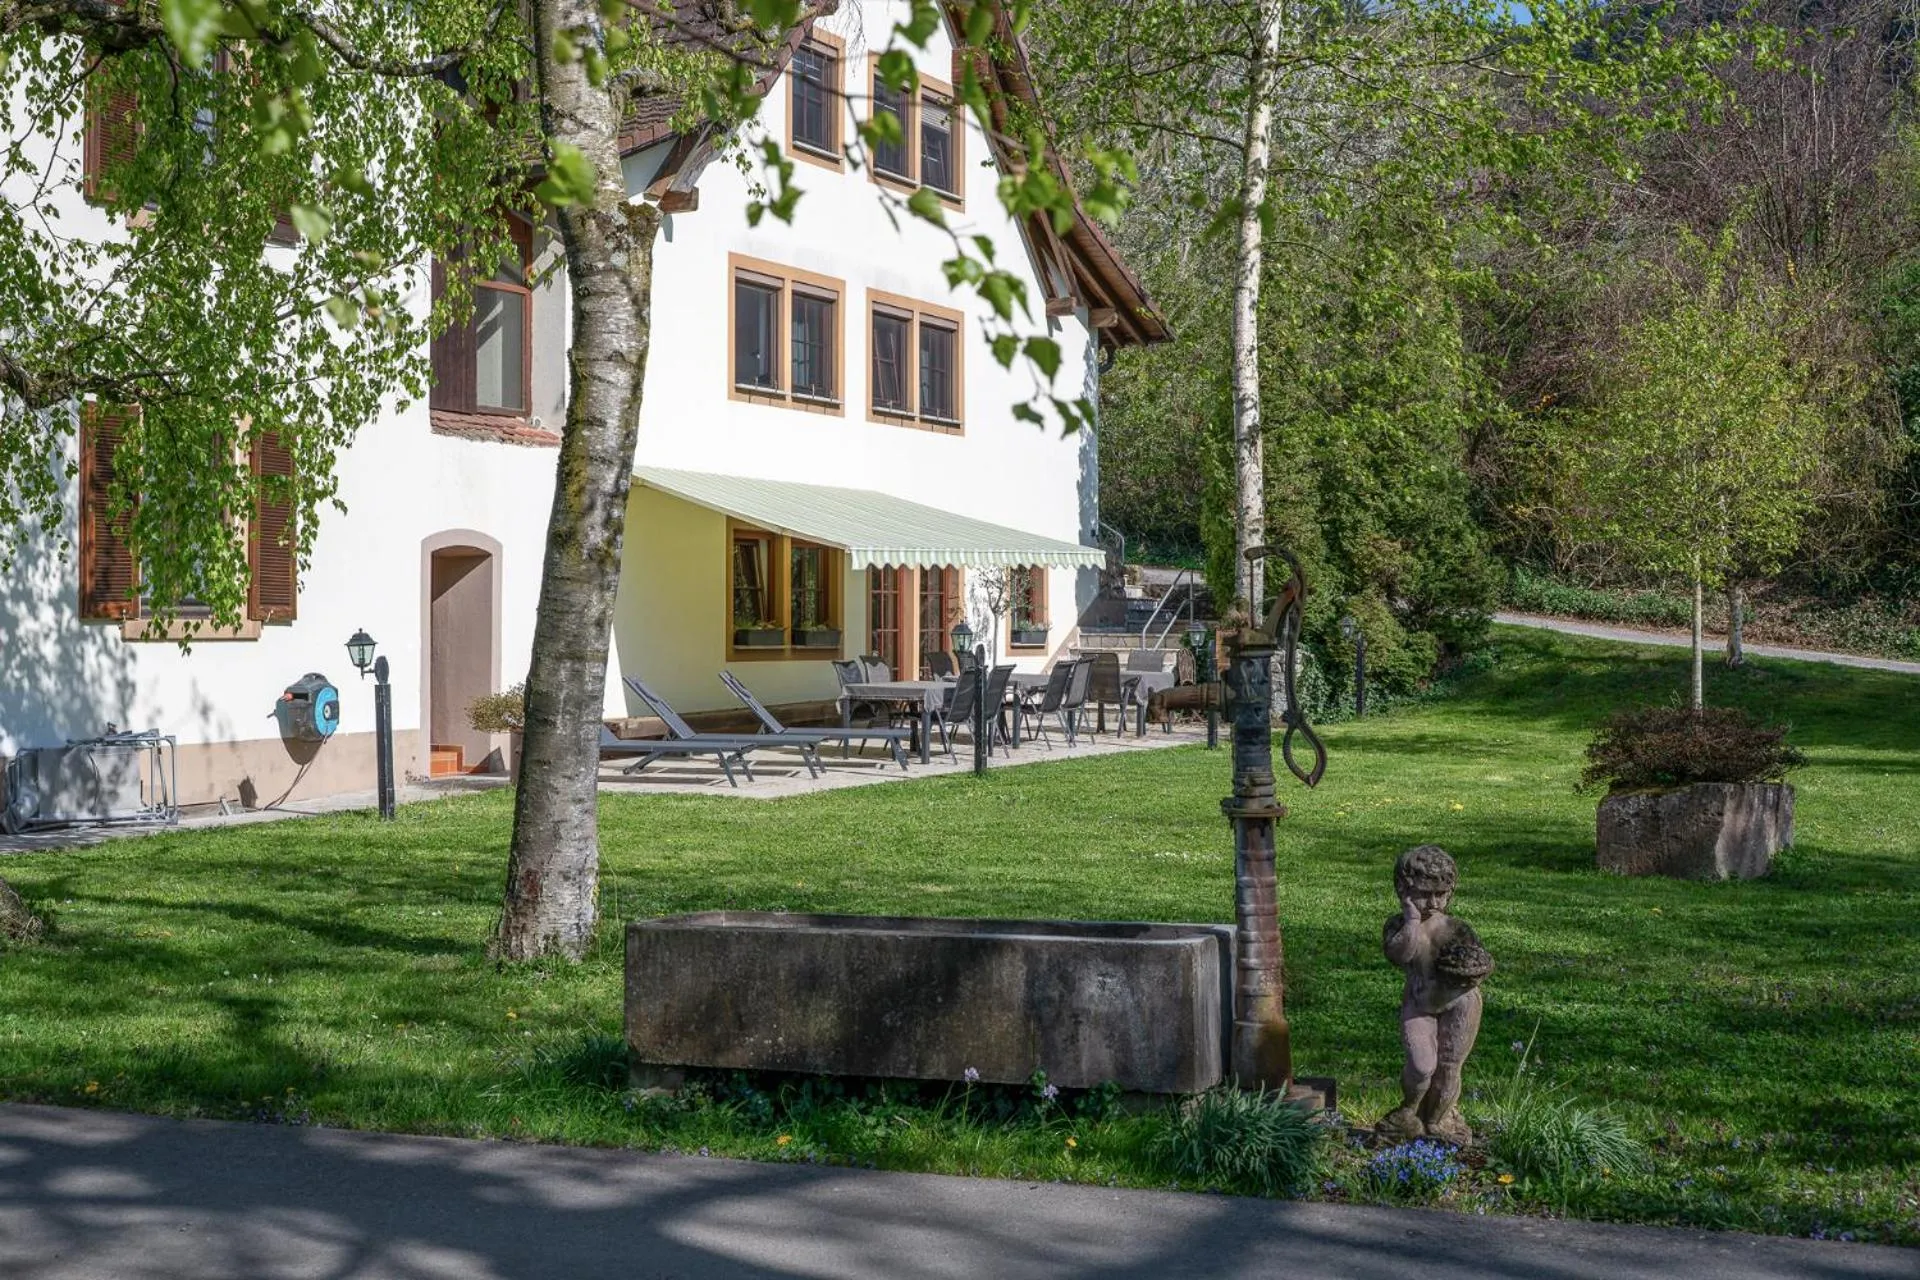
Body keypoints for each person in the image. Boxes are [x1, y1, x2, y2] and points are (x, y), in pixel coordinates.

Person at [1380, 844, 1494, 1145]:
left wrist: (1475, 969)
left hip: (1460, 1003)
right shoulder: (1399, 926)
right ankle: (1409, 1109)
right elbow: (1400, 955)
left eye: (1441, 894)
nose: (1432, 902)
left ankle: (1438, 1120)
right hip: (1420, 1003)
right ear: (1403, 890)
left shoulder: (1455, 928)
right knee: (1421, 1065)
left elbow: (1480, 960)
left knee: (1449, 1067)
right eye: (1423, 894)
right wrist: (1412, 920)